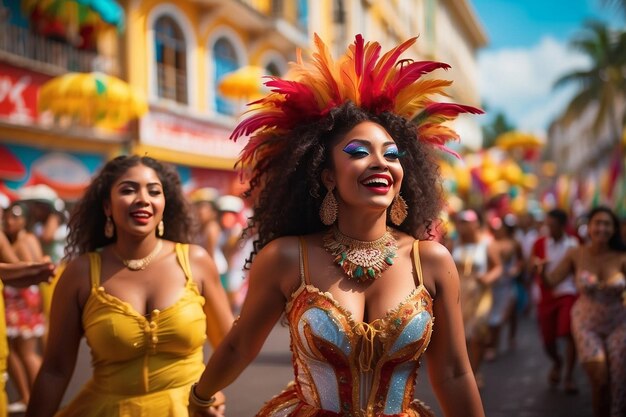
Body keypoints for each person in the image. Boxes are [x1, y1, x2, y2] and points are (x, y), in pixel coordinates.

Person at [188, 34, 485, 417]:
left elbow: (454, 373)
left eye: (391, 155)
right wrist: (200, 398)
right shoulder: (286, 257)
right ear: (327, 175)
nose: (380, 163)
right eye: (359, 153)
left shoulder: (431, 261)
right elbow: (239, 345)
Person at [25, 155, 234, 417]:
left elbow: (231, 348)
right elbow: (54, 369)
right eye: (128, 190)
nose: (143, 199)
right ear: (107, 207)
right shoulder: (80, 273)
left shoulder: (196, 261)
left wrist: (208, 392)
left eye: (154, 191)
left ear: (164, 204)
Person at [542, 206, 625, 417]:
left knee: (618, 380)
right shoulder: (576, 254)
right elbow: (552, 281)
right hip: (586, 323)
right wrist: (541, 271)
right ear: (588, 227)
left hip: (619, 323)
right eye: (597, 223)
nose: (602, 228)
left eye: (607, 224)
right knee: (600, 378)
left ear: (614, 229)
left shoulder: (621, 257)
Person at [0, 229, 55, 417]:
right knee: (22, 352)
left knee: (26, 353)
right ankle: (34, 399)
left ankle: (37, 400)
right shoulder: (30, 239)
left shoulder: (22, 242)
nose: (9, 221)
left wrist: (30, 270)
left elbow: (18, 268)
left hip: (21, 301)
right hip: (29, 297)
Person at [530, 208, 579, 394]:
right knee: (548, 339)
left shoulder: (573, 245)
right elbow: (531, 267)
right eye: (547, 224)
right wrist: (536, 268)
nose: (548, 228)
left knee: (568, 333)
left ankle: (569, 376)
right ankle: (558, 363)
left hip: (568, 293)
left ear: (562, 225)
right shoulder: (540, 243)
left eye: (552, 224)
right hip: (546, 295)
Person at [451, 209, 495, 389]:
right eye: (460, 222)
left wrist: (488, 278)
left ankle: (474, 372)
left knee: (477, 335)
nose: (463, 226)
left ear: (475, 224)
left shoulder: (487, 244)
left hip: (480, 296)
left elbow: (497, 267)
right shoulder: (454, 243)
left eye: (467, 222)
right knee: (462, 338)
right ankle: (466, 372)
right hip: (459, 295)